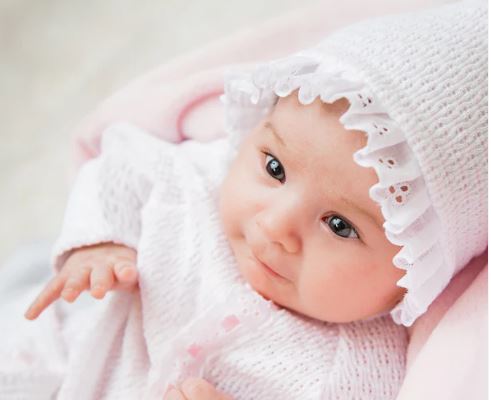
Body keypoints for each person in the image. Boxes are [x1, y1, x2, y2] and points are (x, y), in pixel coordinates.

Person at [5, 0, 487, 399]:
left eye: (340, 225)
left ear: (416, 272)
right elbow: (122, 164)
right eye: (274, 168)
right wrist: (99, 244)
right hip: (59, 353)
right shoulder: (193, 187)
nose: (276, 225)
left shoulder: (362, 370)